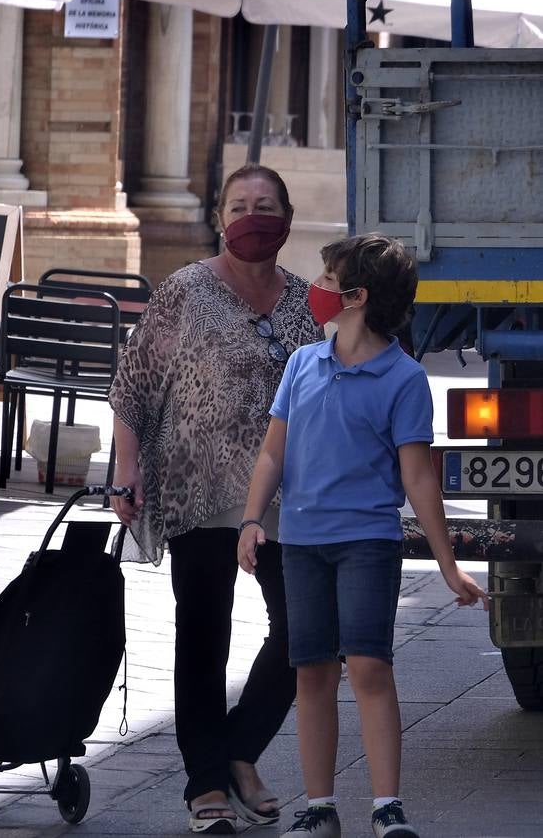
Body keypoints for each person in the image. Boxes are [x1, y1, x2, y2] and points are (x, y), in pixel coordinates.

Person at [237, 233, 489, 838]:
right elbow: (274, 453)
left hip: (368, 544)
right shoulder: (302, 363)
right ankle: (320, 807)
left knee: (371, 668)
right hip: (301, 543)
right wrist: (251, 519)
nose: (316, 289)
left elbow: (419, 481)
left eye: (327, 279)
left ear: (355, 296)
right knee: (313, 673)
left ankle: (387, 807)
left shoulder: (402, 379)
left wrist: (447, 563)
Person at [109, 163, 323, 834]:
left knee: (305, 633)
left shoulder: (307, 301)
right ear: (218, 218)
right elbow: (134, 383)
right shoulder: (185, 291)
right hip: (197, 482)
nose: (252, 215)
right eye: (240, 205)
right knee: (202, 635)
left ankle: (236, 752)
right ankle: (205, 784)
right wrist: (126, 468)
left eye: (266, 204)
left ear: (286, 217)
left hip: (291, 493)